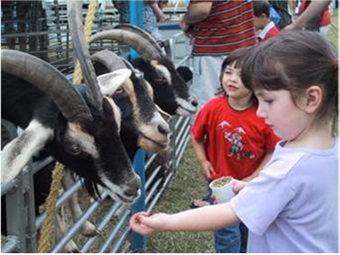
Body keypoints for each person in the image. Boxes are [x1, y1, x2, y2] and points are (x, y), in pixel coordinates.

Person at [130, 31, 339, 253]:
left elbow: (229, 213)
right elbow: (300, 197)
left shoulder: (288, 172)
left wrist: (165, 222)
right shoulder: (330, 149)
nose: (259, 112)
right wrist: (254, 187)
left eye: (268, 100)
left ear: (311, 99)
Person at [189, 47, 280, 253]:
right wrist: (203, 161)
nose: (232, 79)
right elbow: (196, 137)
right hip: (220, 183)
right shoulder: (213, 108)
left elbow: (272, 150)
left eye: (241, 75)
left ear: (256, 81)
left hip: (252, 185)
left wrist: (255, 177)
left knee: (249, 227)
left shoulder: (263, 114)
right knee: (226, 233)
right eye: (228, 72)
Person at [179, 0, 256, 108]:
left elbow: (201, 9)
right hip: (245, 42)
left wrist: (186, 20)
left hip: (214, 48)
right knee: (244, 106)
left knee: (209, 107)